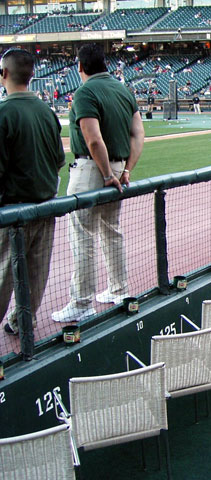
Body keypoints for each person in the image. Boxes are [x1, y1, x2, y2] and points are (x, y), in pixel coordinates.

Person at [52, 43, 144, 323]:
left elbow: (93, 139)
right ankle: (119, 290)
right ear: (105, 63)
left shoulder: (85, 92)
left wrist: (106, 174)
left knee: (83, 236)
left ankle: (81, 302)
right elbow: (138, 135)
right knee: (111, 231)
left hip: (93, 170)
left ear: (80, 66)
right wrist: (125, 170)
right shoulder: (123, 90)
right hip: (117, 166)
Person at [0, 49, 66, 336]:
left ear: (4, 74)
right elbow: (59, 160)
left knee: (4, 276)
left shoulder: (4, 112)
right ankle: (22, 321)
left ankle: (19, 322)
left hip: (13, 210)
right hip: (45, 206)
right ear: (32, 75)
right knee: (35, 275)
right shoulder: (47, 111)